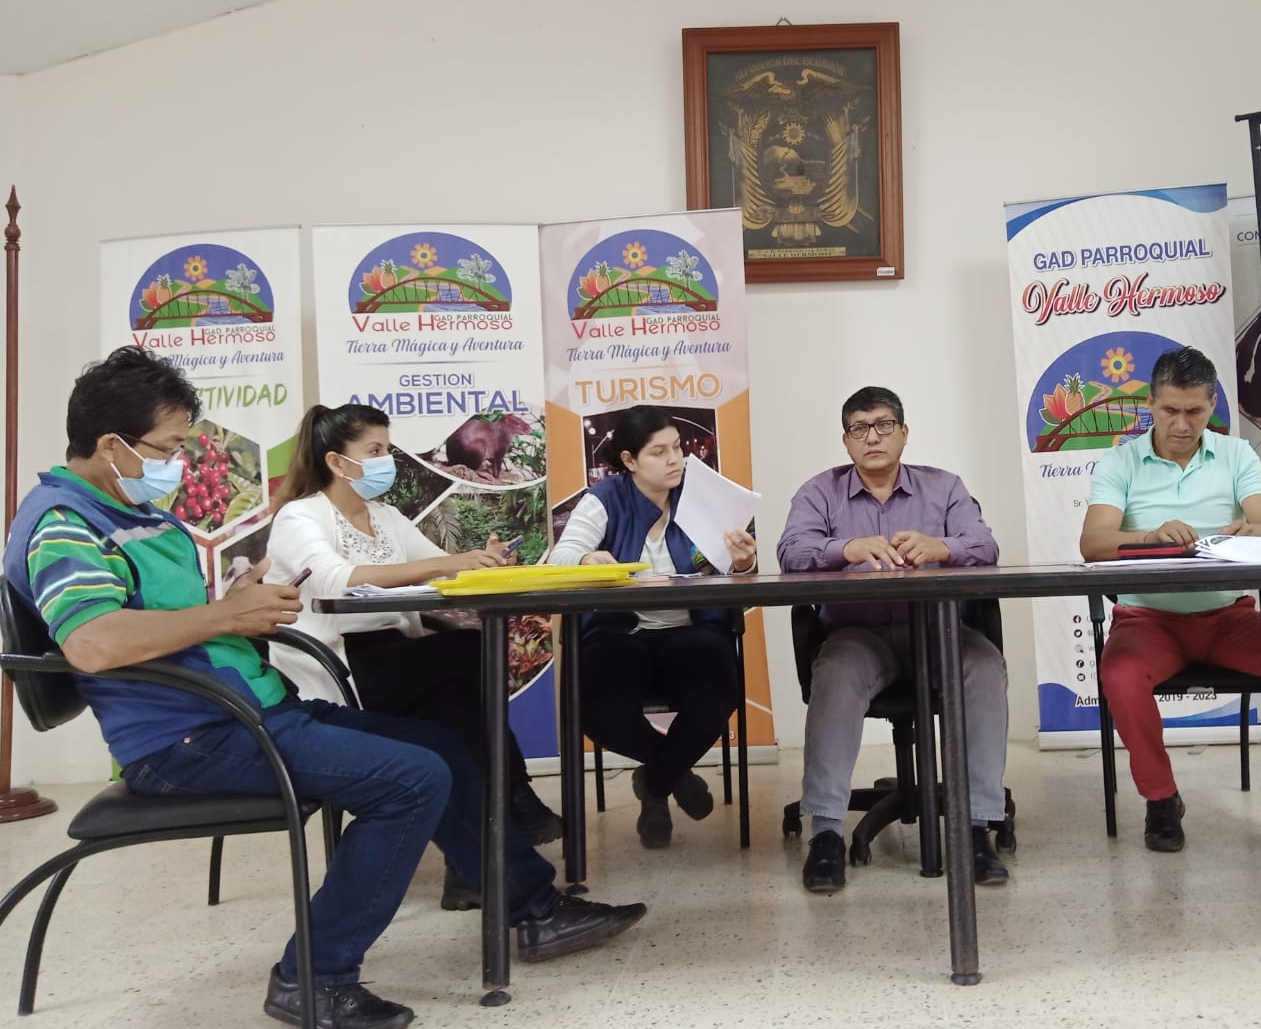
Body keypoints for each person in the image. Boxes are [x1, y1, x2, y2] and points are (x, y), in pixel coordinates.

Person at [4, 348, 645, 1029]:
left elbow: (169, 620)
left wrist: (237, 600)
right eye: (169, 447)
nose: (179, 462)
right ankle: (315, 976)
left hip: (245, 710)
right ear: (111, 445)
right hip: (188, 739)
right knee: (412, 778)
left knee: (440, 745)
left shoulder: (137, 515)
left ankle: (534, 909)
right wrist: (225, 616)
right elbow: (93, 642)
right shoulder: (64, 522)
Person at [265, 403, 564, 909]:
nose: (387, 460)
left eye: (388, 448)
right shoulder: (301, 516)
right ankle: (515, 796)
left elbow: (443, 568)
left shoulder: (385, 516)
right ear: (337, 462)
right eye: (374, 450)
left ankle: (472, 870)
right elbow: (334, 580)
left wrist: (486, 561)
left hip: (397, 662)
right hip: (339, 666)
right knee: (462, 655)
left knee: (453, 710)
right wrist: (447, 564)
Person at [1079, 347, 1261, 859]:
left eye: (1195, 411)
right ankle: (1161, 799)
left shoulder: (1236, 454)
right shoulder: (1121, 461)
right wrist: (1149, 536)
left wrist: (1253, 530)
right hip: (1147, 621)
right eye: (1169, 410)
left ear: (1211, 406)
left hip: (1229, 619)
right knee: (1120, 674)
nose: (1181, 425)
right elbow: (1093, 543)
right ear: (1150, 404)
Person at [776, 386, 1010, 893]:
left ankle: (975, 829)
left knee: (984, 665)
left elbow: (985, 545)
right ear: (845, 440)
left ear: (904, 433)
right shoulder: (820, 492)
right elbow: (791, 552)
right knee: (835, 671)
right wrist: (844, 549)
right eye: (859, 429)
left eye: (883, 425)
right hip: (859, 635)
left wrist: (942, 547)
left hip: (939, 632)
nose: (872, 437)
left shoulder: (944, 487)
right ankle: (826, 835)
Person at [548, 405, 754, 849]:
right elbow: (558, 558)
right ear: (629, 460)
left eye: (677, 447)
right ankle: (675, 774)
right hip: (620, 633)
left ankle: (655, 783)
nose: (675, 459)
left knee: (716, 694)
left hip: (691, 629)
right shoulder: (605, 498)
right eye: (659, 452)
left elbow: (736, 574)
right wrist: (585, 558)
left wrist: (743, 563)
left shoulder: (703, 495)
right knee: (600, 711)